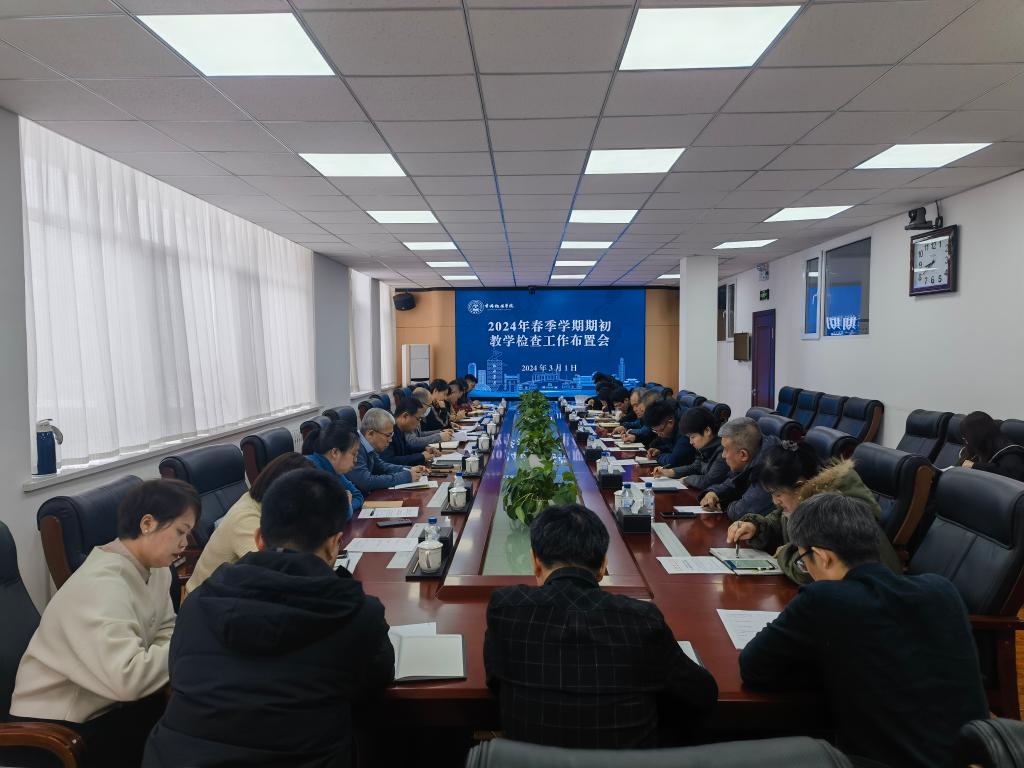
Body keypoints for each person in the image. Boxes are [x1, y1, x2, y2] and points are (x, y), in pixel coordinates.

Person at [143, 469, 395, 768]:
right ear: (334, 544)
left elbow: (180, 672)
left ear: (259, 538)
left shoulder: (197, 603)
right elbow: (376, 682)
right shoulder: (356, 614)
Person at [739, 493, 988, 768]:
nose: (806, 570)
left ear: (822, 557)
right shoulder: (941, 590)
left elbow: (754, 667)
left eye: (802, 561)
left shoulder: (825, 599)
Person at [484, 503, 717, 749]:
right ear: (604, 566)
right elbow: (703, 695)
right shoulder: (641, 620)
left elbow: (495, 682)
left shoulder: (506, 610)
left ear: (535, 561)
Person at [10, 479, 199, 768]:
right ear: (147, 524)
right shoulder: (100, 585)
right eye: (180, 532)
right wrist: (190, 647)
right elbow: (129, 679)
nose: (185, 543)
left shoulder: (156, 569)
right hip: (57, 729)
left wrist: (171, 652)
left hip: (111, 704)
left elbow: (166, 629)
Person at [726, 442, 902, 583]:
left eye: (777, 494)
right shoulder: (805, 498)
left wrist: (785, 553)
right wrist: (756, 527)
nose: (775, 501)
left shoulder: (834, 510)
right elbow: (781, 521)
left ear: (800, 486)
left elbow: (807, 570)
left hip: (873, 599)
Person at [186, 452, 309, 594]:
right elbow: (273, 572)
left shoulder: (265, 505)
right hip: (206, 600)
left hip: (236, 591)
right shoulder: (246, 518)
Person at [699, 417, 778, 521]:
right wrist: (713, 493)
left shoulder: (771, 469)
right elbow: (733, 481)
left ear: (743, 455)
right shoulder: (756, 451)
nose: (723, 455)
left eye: (725, 449)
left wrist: (722, 503)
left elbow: (740, 512)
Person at [348, 408, 424, 494]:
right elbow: (366, 482)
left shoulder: (367, 445)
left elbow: (382, 467)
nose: (390, 440)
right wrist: (406, 476)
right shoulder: (354, 448)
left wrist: (409, 469)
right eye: (388, 435)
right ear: (370, 434)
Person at [652, 407, 729, 491]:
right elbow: (695, 467)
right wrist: (669, 472)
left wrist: (687, 479)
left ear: (707, 431)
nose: (690, 442)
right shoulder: (705, 447)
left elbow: (709, 481)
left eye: (692, 437)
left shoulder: (723, 451)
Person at [302, 421, 365, 514]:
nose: (356, 460)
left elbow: (358, 495)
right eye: (353, 454)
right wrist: (346, 506)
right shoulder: (313, 471)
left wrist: (347, 506)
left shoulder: (333, 468)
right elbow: (331, 515)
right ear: (335, 453)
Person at [959, 410, 1024, 481]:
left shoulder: (1011, 454)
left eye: (967, 438)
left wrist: (974, 466)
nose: (966, 442)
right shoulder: (978, 448)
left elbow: (1010, 477)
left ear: (978, 437)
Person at [383, 397, 441, 466]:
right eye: (418, 419)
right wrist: (421, 457)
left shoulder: (400, 429)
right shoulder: (388, 431)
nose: (419, 423)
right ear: (405, 416)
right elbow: (389, 461)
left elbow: (405, 449)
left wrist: (424, 448)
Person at [642, 399, 696, 469]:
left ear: (670, 422)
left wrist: (658, 457)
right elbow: (673, 448)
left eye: (660, 430)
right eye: (655, 431)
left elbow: (674, 461)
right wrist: (660, 451)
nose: (658, 435)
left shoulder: (686, 426)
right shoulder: (672, 418)